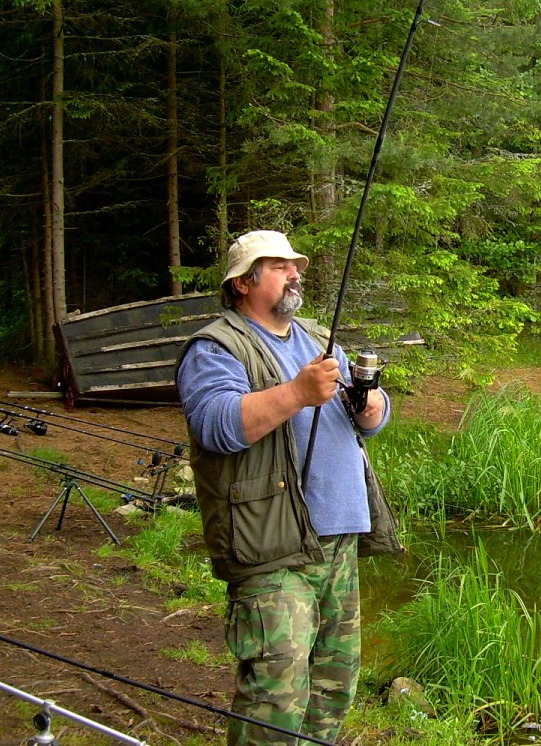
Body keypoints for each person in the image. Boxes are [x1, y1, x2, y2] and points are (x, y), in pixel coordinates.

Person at [176, 229, 394, 745]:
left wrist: (373, 408)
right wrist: (297, 392)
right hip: (273, 546)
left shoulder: (318, 339)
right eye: (278, 266)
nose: (295, 273)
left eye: (294, 264)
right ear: (242, 284)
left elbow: (367, 419)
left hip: (339, 538)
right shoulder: (216, 347)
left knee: (333, 686)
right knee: (275, 693)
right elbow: (216, 424)